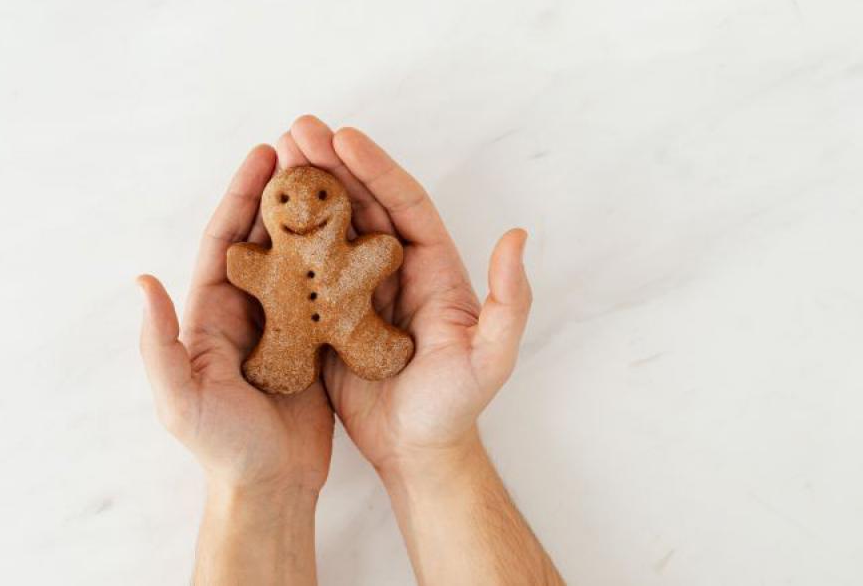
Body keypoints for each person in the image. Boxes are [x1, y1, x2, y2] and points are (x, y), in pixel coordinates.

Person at [136, 116, 565, 586]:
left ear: (338, 208)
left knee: (371, 346)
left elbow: (379, 253)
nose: (303, 210)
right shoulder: (267, 267)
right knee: (283, 361)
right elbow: (245, 266)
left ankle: (367, 355)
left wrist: (433, 453)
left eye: (320, 196)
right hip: (284, 346)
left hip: (360, 333)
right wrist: (258, 486)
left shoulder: (354, 257)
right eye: (286, 201)